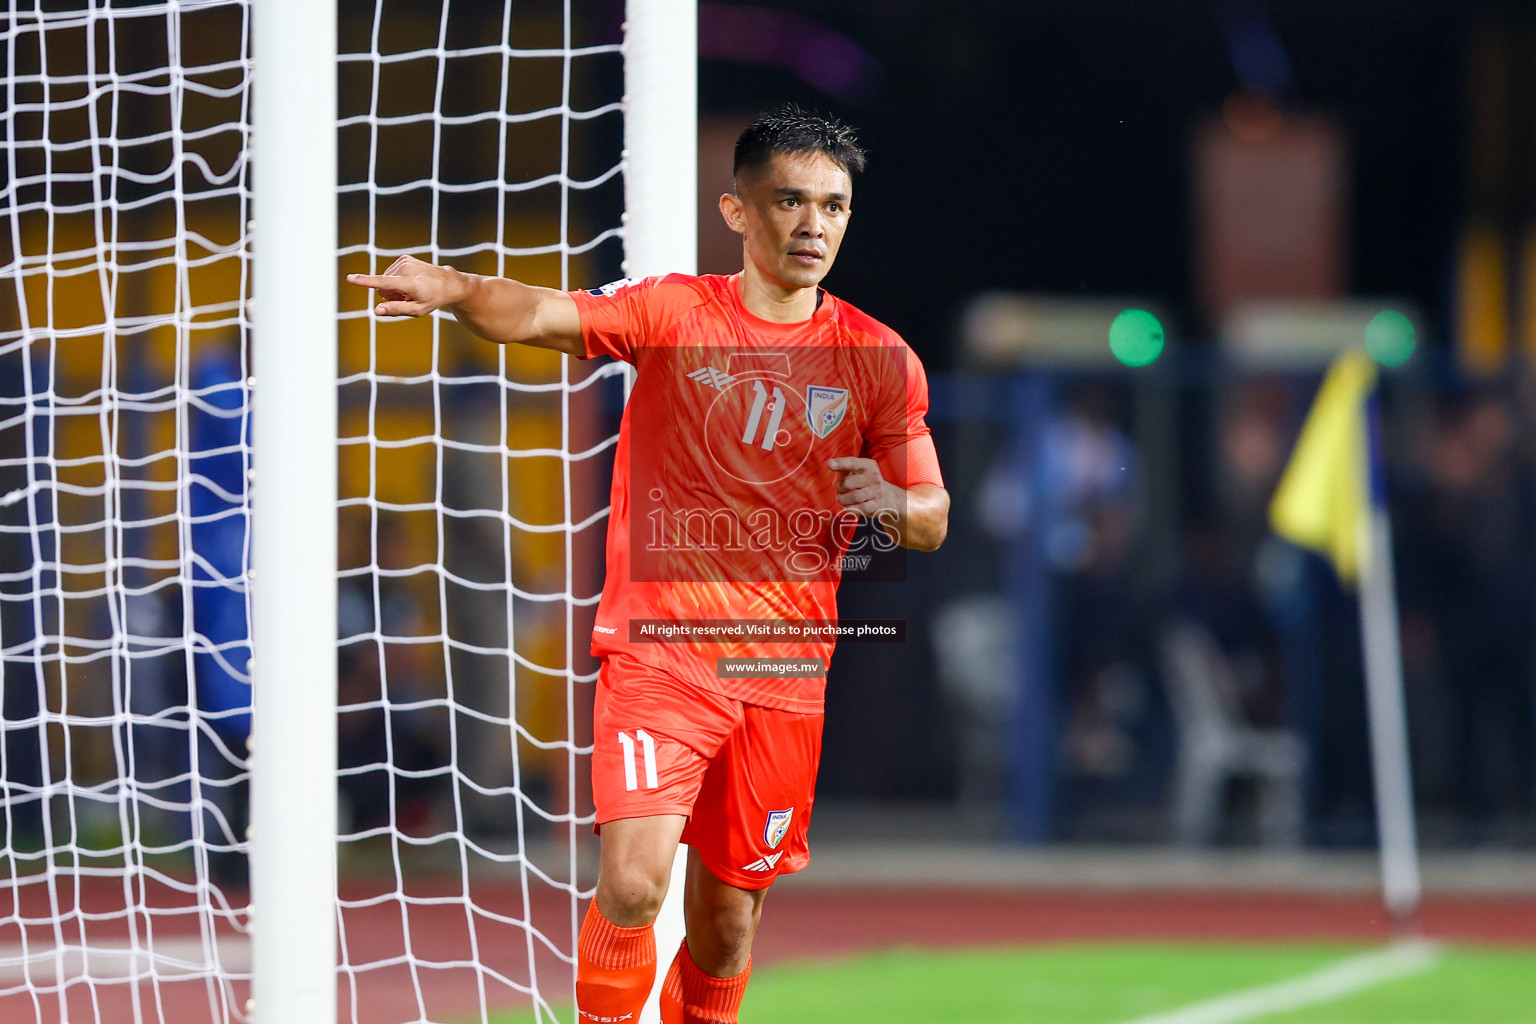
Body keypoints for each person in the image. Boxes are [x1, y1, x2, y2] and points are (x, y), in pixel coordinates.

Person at [348, 105, 948, 1024]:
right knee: (633, 883)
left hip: (783, 672)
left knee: (726, 927)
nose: (812, 224)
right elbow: (545, 314)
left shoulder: (878, 358)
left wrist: (889, 504)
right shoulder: (674, 312)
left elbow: (932, 516)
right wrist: (461, 289)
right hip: (661, 653)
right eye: (788, 200)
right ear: (738, 211)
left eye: (832, 205)